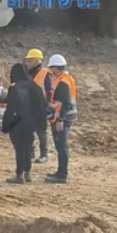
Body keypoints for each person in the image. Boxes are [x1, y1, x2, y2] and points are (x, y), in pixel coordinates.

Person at [0, 62, 48, 185]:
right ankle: (27, 172)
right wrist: (41, 123)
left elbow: (11, 108)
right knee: (28, 147)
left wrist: (6, 124)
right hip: (32, 123)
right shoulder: (35, 86)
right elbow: (43, 106)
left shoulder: (15, 88)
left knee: (20, 148)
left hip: (18, 122)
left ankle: (19, 174)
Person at [44, 53, 77, 185]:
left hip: (62, 118)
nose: (50, 71)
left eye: (51, 68)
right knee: (60, 146)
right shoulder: (63, 78)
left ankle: (62, 175)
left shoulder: (63, 82)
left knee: (61, 146)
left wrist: (60, 119)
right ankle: (60, 172)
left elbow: (66, 103)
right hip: (61, 117)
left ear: (55, 68)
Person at [24, 48, 53, 164]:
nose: (27, 63)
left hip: (41, 107)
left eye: (30, 61)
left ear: (37, 61)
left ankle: (43, 154)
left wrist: (46, 106)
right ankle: (30, 152)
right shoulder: (27, 73)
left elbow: (49, 91)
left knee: (41, 131)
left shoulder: (45, 73)